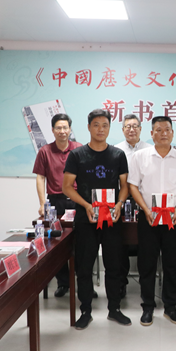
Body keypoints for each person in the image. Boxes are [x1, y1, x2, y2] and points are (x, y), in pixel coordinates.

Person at [128, 116, 176, 326]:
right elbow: (133, 186)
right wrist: (145, 208)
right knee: (147, 263)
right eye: (158, 130)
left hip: (172, 218)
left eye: (167, 129)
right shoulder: (139, 157)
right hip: (148, 216)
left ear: (173, 133)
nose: (163, 133)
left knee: (171, 263)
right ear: (151, 134)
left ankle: (170, 306)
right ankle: (147, 307)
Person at [63, 109, 130, 330]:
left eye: (105, 125)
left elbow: (124, 186)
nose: (101, 129)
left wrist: (119, 203)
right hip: (87, 219)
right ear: (89, 127)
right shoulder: (77, 155)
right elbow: (66, 187)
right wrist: (86, 205)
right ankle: (86, 311)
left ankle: (114, 309)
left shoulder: (118, 155)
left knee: (114, 266)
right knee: (84, 267)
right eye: (96, 125)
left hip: (112, 219)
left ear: (109, 127)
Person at [32, 113, 82, 298]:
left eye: (65, 127)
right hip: (56, 202)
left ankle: (84, 284)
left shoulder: (79, 148)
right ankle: (63, 283)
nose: (62, 131)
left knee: (82, 242)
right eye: (58, 128)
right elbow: (40, 177)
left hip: (77, 200)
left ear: (70, 129)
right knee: (57, 243)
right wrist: (42, 203)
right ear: (53, 130)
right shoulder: (45, 151)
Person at [114, 114, 152, 298]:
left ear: (140, 129)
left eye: (135, 126)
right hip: (123, 199)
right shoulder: (116, 150)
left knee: (146, 241)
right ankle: (121, 283)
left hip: (144, 200)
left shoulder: (149, 150)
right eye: (128, 126)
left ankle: (147, 284)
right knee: (121, 241)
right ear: (123, 130)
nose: (131, 129)